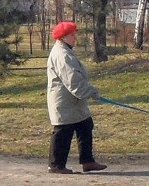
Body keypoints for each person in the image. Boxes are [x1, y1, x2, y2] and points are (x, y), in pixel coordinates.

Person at [46, 21, 107, 174]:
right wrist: (92, 92)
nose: (75, 38)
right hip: (64, 102)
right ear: (63, 37)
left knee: (85, 125)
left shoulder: (66, 51)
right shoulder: (63, 55)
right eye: (72, 35)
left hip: (74, 102)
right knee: (62, 132)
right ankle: (56, 165)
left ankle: (87, 161)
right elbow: (74, 82)